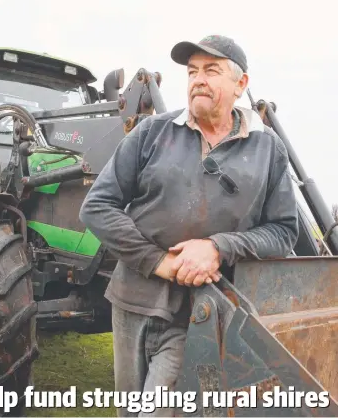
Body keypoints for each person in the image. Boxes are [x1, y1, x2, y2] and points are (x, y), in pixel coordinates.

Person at [79, 35, 299, 417]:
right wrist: (158, 261)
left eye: (211, 71)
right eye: (192, 71)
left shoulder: (268, 150)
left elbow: (282, 231)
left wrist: (218, 248)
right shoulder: (152, 132)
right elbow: (97, 207)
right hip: (132, 300)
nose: (198, 79)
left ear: (241, 85)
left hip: (203, 309)